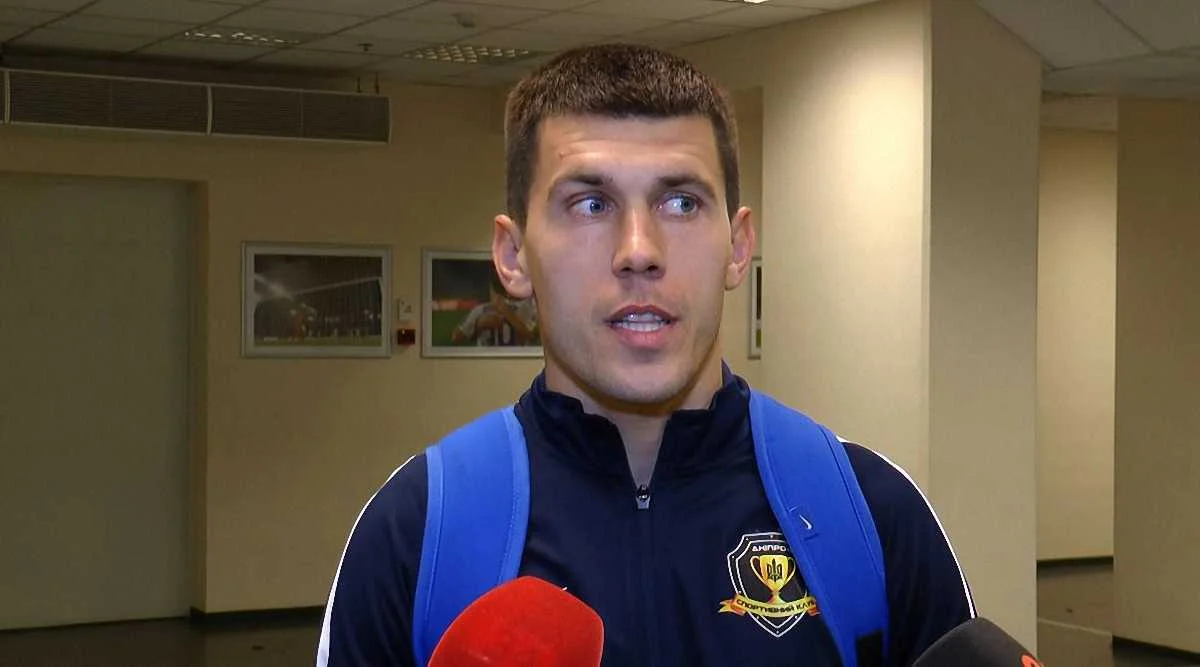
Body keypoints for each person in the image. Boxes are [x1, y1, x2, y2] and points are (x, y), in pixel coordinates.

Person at [317, 44, 974, 666]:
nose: (639, 249)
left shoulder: (871, 516)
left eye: (681, 202)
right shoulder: (418, 532)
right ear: (514, 257)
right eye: (590, 203)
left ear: (738, 246)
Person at [450, 275, 539, 347]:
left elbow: (532, 337)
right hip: (486, 361)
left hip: (516, 361)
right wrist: (480, 325)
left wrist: (508, 314)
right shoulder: (482, 310)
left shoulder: (527, 309)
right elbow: (456, 338)